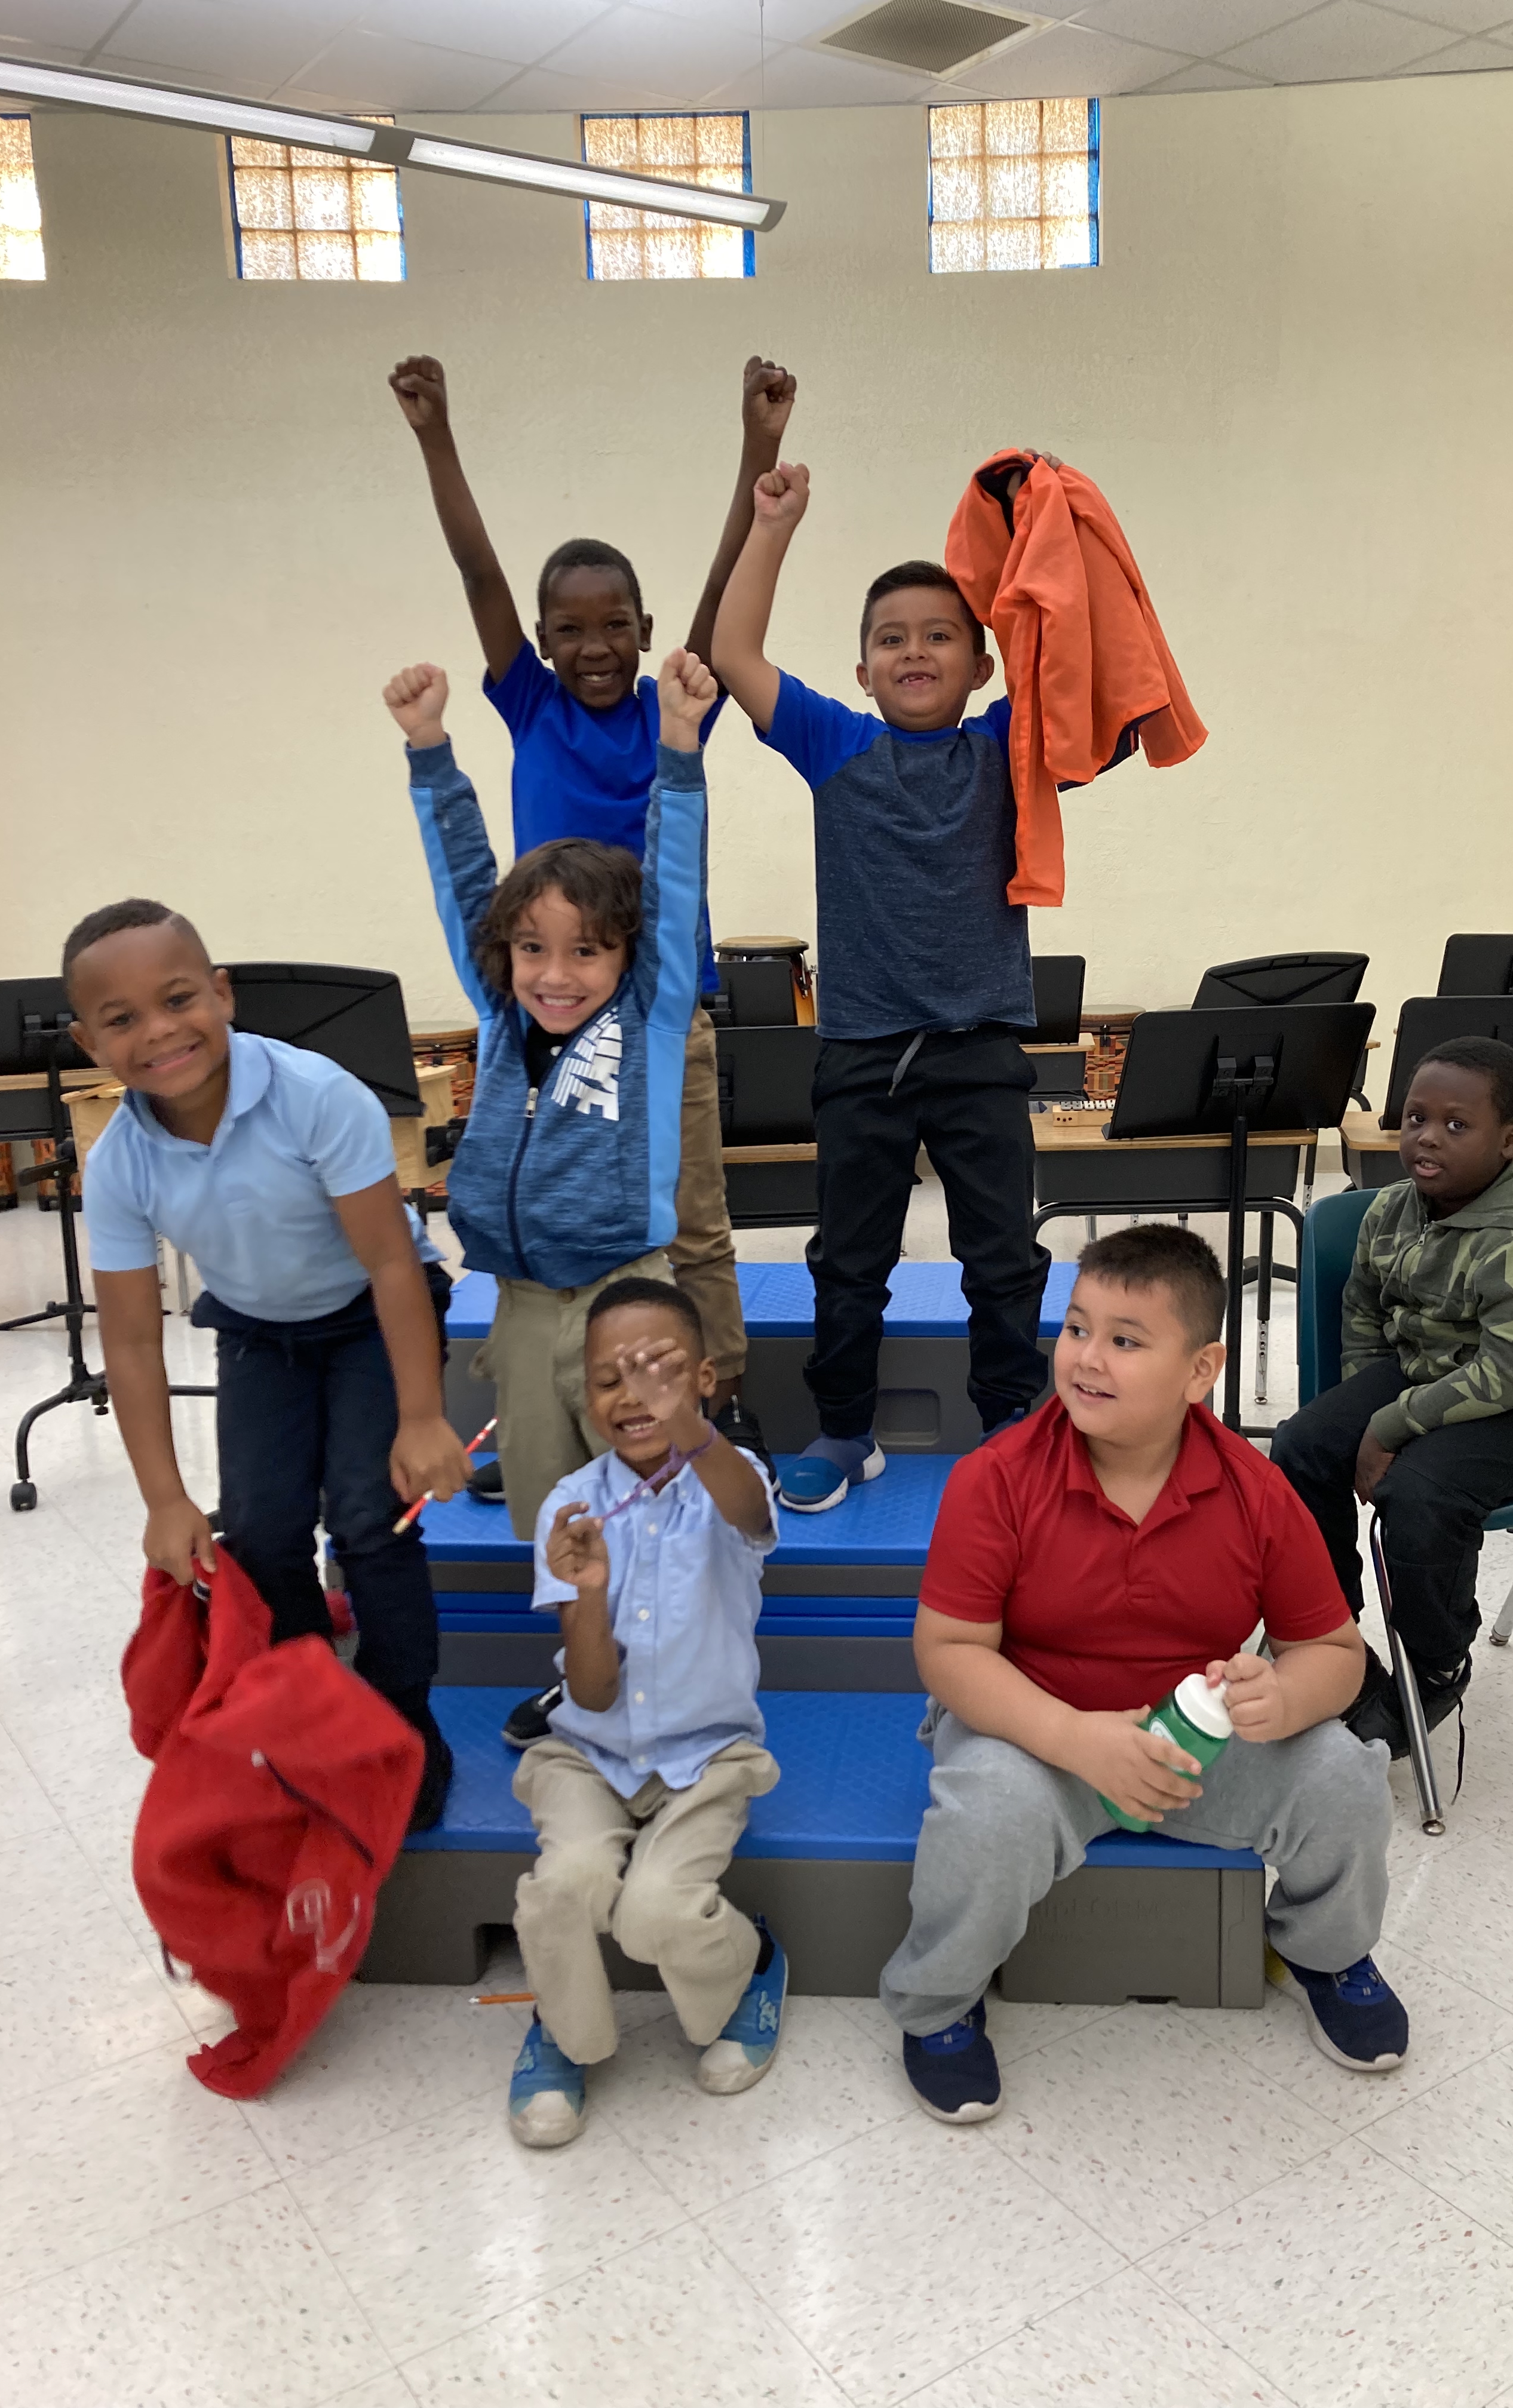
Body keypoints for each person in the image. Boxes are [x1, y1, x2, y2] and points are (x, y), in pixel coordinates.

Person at [876, 1224, 1406, 2123]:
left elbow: (1336, 1655)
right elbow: (950, 1652)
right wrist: (1074, 1738)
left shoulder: (1255, 1488)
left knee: (1345, 1778)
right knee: (988, 1813)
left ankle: (1326, 1954)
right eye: (1077, 1329)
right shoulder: (995, 1479)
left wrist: (1285, 1696)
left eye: (1126, 1341)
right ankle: (939, 2008)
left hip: (1194, 1735)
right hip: (1035, 1727)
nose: (1087, 1358)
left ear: (1202, 1370)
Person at [389, 349, 796, 1480]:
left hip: (664, 1015)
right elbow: (477, 571)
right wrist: (435, 433)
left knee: (693, 1223)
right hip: (546, 1016)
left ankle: (715, 1396)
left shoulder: (676, 708)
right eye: (567, 630)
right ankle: (549, 1397)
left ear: (643, 626)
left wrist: (754, 449)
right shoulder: (527, 705)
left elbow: (722, 592)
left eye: (613, 624)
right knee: (558, 1223)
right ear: (540, 641)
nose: (593, 647)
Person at [67, 900, 469, 1829]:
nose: (159, 1032)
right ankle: (312, 1725)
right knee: (260, 1530)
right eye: (122, 1020)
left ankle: (406, 1723)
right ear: (93, 1045)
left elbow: (389, 1264)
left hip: (372, 1314)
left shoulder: (318, 1094)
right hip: (257, 1331)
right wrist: (165, 1500)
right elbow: (129, 1341)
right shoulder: (121, 1160)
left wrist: (419, 1417)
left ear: (222, 993)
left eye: (177, 1000)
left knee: (370, 1517)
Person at [710, 456, 1061, 1511]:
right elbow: (732, 651)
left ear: (981, 664)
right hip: (861, 1053)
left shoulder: (1008, 744)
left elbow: (1073, 658)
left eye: (938, 634)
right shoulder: (836, 746)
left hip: (979, 1049)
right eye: (890, 637)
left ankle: (1009, 1421)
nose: (913, 650)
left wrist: (1041, 531)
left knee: (1000, 1254)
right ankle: (845, 1428)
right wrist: (771, 524)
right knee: (848, 1259)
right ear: (860, 668)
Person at [388, 646, 722, 1746]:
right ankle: (586, 1665)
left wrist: (678, 751)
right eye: (532, 948)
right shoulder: (499, 1018)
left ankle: (673, 1670)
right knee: (550, 1505)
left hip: (627, 1290)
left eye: (585, 950)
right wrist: (430, 752)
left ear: (627, 957)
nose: (555, 971)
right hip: (525, 1301)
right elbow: (459, 879)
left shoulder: (652, 1015)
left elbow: (670, 889)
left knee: (653, 1490)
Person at [1272, 1037, 1513, 1755]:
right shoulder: (1392, 1211)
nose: (1428, 1138)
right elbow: (1366, 1315)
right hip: (1435, 1369)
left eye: (1457, 1126)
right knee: (1302, 1444)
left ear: (1509, 1141)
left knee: (1424, 1493)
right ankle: (1328, 1636)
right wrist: (1362, 1415)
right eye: (1415, 1119)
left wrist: (1390, 1428)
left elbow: (1509, 1377)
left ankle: (1435, 1662)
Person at [506, 1275, 787, 2147]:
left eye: (659, 1370)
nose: (634, 1396)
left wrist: (694, 1430)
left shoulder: (733, 1480)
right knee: (564, 1891)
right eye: (608, 1379)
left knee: (654, 1912)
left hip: (707, 1759)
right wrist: (588, 1594)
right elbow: (589, 1694)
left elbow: (746, 1509)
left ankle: (751, 1969)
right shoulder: (570, 1505)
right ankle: (565, 2029)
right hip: (590, 1754)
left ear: (706, 1378)